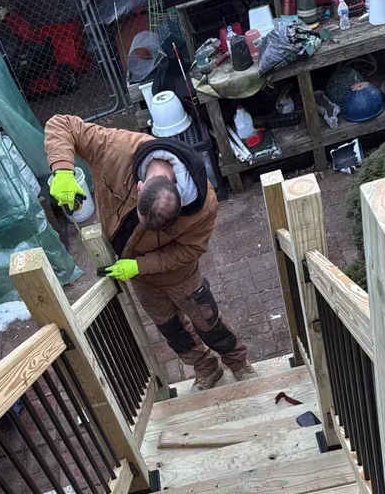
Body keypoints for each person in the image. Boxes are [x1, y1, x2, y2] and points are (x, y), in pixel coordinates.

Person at [45, 117, 255, 391]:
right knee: (172, 330)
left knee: (207, 321)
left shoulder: (204, 206)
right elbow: (62, 125)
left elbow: (188, 250)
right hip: (144, 282)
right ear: (140, 187)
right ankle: (206, 368)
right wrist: (62, 171)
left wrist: (139, 266)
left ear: (180, 201)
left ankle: (239, 363)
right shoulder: (116, 149)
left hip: (179, 276)